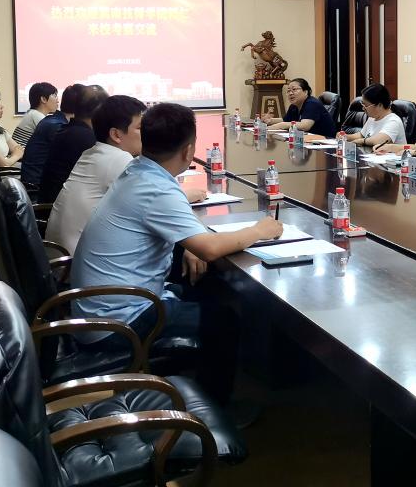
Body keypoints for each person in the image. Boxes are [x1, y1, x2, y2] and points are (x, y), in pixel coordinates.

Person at [71, 102, 282, 400]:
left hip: (101, 308)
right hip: (116, 323)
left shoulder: (139, 171)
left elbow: (181, 228)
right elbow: (209, 248)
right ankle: (212, 407)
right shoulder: (157, 188)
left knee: (207, 287)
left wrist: (190, 241)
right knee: (224, 321)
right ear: (188, 151)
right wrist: (260, 230)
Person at [45, 95, 145, 254]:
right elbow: (154, 206)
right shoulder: (119, 159)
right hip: (80, 261)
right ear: (116, 135)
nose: (147, 133)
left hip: (57, 255)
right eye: (140, 128)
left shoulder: (92, 153)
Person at [38, 85, 107, 202]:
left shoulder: (70, 130)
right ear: (100, 112)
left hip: (53, 201)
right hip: (56, 205)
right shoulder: (85, 137)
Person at [20, 83, 81, 189]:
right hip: (37, 186)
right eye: (55, 95)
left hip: (35, 181)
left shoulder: (52, 120)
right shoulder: (57, 126)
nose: (57, 100)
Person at [266, 78, 337, 138]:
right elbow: (285, 120)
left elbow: (305, 126)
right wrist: (270, 121)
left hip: (324, 141)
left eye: (294, 89)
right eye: (288, 91)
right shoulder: (294, 106)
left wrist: (281, 125)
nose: (290, 93)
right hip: (306, 140)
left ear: (305, 92)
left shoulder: (312, 103)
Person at [345, 83, 406, 148]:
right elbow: (361, 135)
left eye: (366, 105)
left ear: (379, 105)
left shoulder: (393, 121)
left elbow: (379, 141)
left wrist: (362, 141)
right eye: (362, 104)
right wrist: (346, 137)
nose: (363, 108)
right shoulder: (373, 117)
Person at [12, 82, 59, 147]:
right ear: (43, 99)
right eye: (55, 96)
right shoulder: (36, 115)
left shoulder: (32, 113)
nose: (57, 101)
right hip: (23, 152)